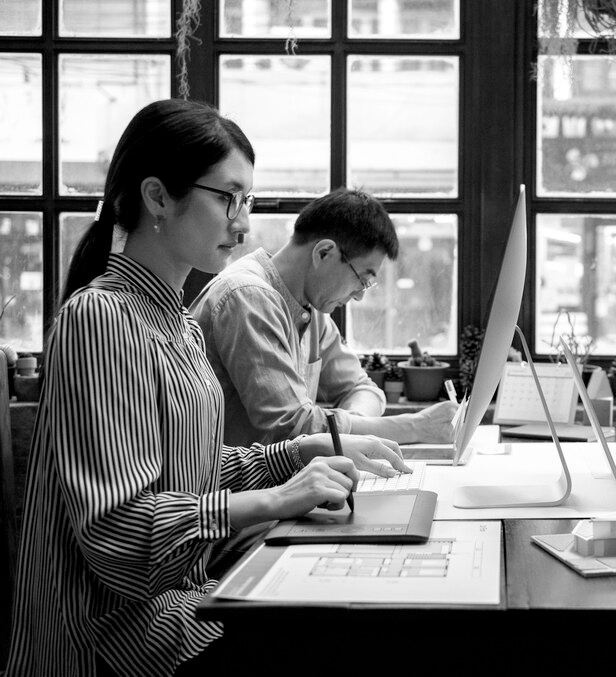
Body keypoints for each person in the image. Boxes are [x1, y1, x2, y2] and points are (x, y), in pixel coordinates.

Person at [4, 98, 411, 676]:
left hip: (178, 598)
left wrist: (299, 452)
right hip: (112, 636)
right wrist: (278, 499)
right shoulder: (99, 318)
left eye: (247, 202)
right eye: (228, 198)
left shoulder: (177, 322)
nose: (242, 224)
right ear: (158, 197)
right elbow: (121, 538)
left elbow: (190, 466)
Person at [188, 187, 459, 448]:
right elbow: (292, 427)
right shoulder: (247, 297)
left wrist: (353, 429)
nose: (359, 296)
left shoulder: (311, 311)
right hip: (231, 480)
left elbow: (362, 388)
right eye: (362, 279)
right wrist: (414, 427)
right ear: (324, 253)